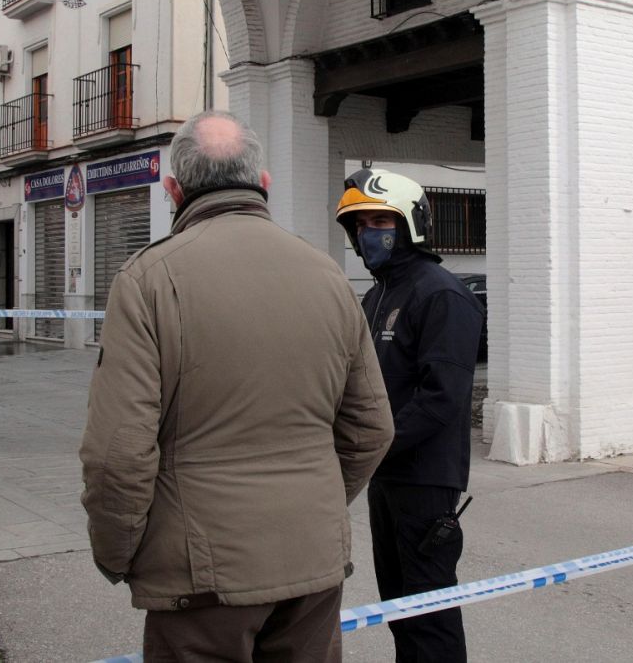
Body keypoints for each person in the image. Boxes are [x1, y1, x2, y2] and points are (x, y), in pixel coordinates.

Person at [81, 110, 393, 663]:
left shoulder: (148, 280)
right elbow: (371, 427)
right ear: (264, 184)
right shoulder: (328, 275)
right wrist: (310, 501)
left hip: (202, 574)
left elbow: (118, 455)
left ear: (172, 190)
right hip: (312, 562)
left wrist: (119, 552)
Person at [335, 168, 485, 663]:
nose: (368, 232)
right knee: (398, 605)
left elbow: (441, 398)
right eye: (359, 224)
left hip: (425, 481)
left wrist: (372, 441)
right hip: (386, 476)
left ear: (409, 224)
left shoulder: (440, 294)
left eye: (380, 220)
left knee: (430, 615)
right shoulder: (377, 295)